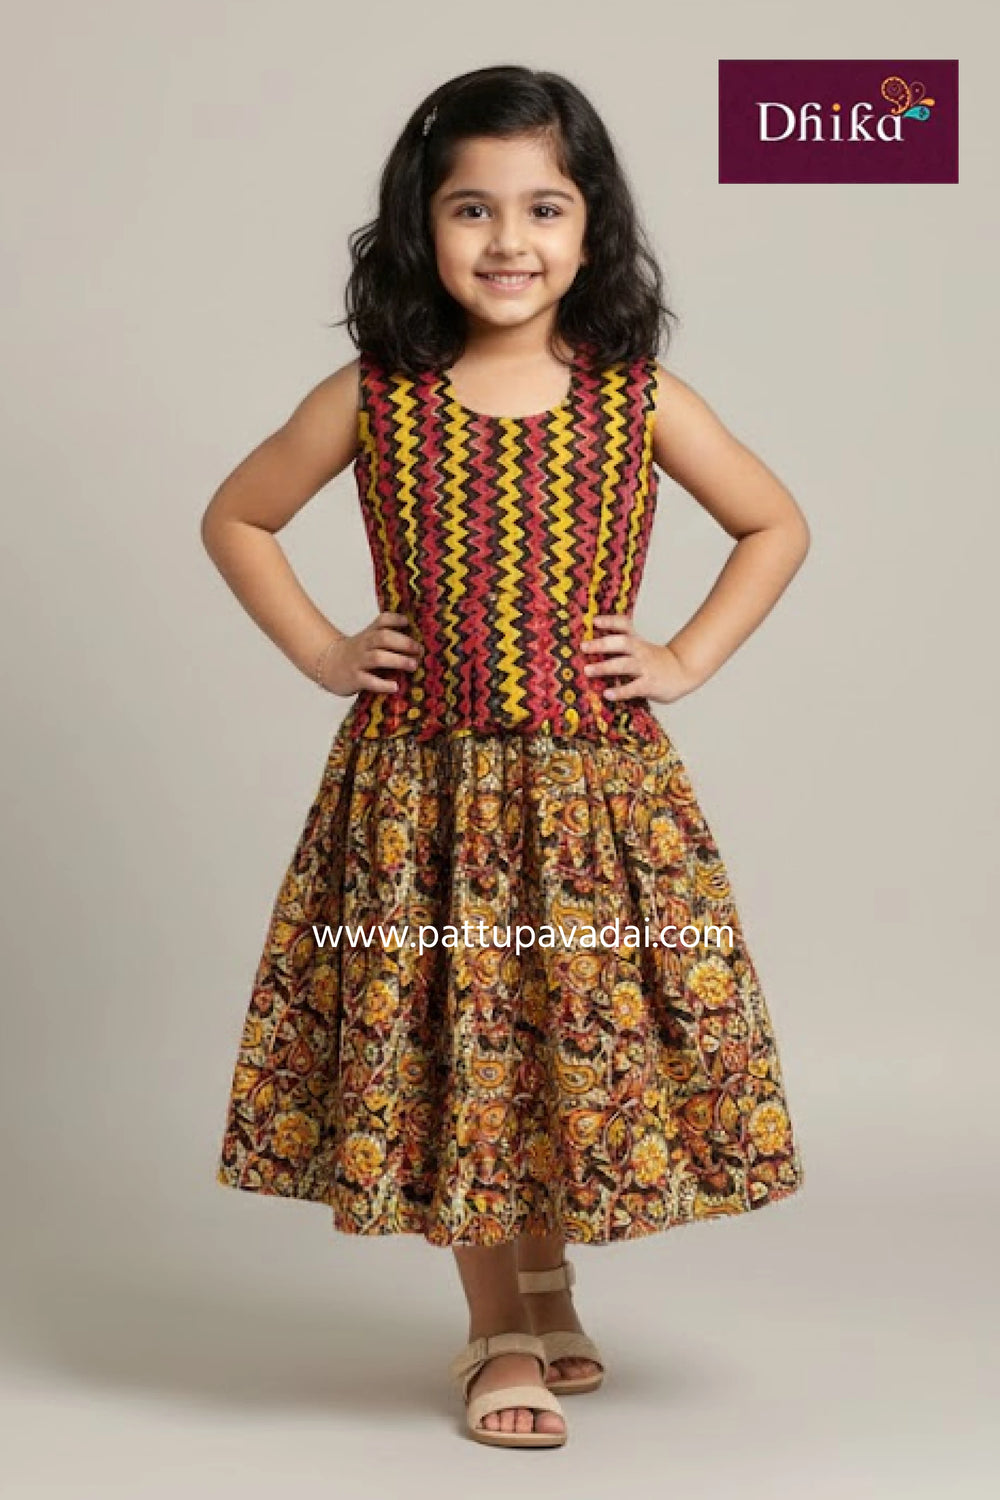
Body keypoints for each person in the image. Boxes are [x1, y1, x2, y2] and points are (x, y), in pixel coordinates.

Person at [202, 64, 808, 1451]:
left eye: (545, 206)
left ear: (594, 229)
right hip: (428, 793)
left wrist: (685, 658)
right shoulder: (377, 394)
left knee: (556, 1041)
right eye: (472, 208)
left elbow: (773, 523)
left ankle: (544, 1269)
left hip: (592, 792)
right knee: (464, 1047)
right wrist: (319, 650)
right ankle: (498, 1328)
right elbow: (239, 517)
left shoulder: (637, 398)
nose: (509, 240)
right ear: (423, 226)